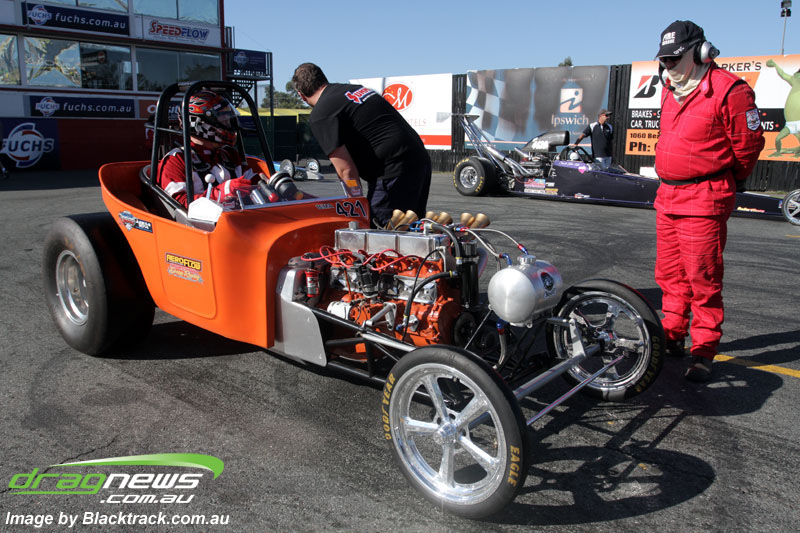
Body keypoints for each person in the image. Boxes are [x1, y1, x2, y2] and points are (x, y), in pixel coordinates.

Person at [654, 20, 764, 382]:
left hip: (703, 197)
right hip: (668, 195)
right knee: (669, 275)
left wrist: (727, 179)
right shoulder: (670, 89)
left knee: (703, 278)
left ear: (701, 52)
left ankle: (703, 349)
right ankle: (672, 334)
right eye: (664, 59)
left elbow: (747, 147)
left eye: (674, 58)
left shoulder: (731, 91)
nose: (668, 64)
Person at [291, 62, 431, 227]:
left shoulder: (322, 114)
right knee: (412, 230)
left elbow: (346, 170)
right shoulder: (355, 89)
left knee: (381, 234)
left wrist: (356, 206)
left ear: (301, 95)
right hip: (419, 159)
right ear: (323, 79)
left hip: (392, 170)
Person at [158, 90, 256, 208]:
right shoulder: (176, 160)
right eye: (223, 120)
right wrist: (221, 193)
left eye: (229, 119)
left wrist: (269, 184)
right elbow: (178, 205)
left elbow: (252, 182)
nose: (229, 124)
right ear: (199, 123)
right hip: (202, 220)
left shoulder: (229, 154)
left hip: (241, 217)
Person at [765, 59, 800, 157]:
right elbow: (783, 74)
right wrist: (775, 65)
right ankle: (778, 152)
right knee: (778, 138)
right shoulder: (795, 79)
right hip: (790, 123)